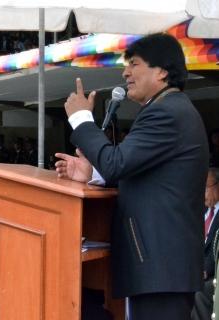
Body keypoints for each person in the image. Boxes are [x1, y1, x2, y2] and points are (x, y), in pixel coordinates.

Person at [55, 33, 209, 319]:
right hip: (160, 269)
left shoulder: (167, 113)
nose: (125, 72)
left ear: (162, 71)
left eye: (134, 64)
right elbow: (134, 172)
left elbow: (117, 163)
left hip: (160, 268)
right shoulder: (167, 110)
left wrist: (81, 120)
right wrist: (93, 173)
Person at [192, 168, 219, 320]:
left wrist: (205, 270)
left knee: (199, 292)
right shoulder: (201, 211)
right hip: (194, 270)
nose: (202, 194)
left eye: (206, 188)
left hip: (212, 273)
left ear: (217, 186)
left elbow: (217, 248)